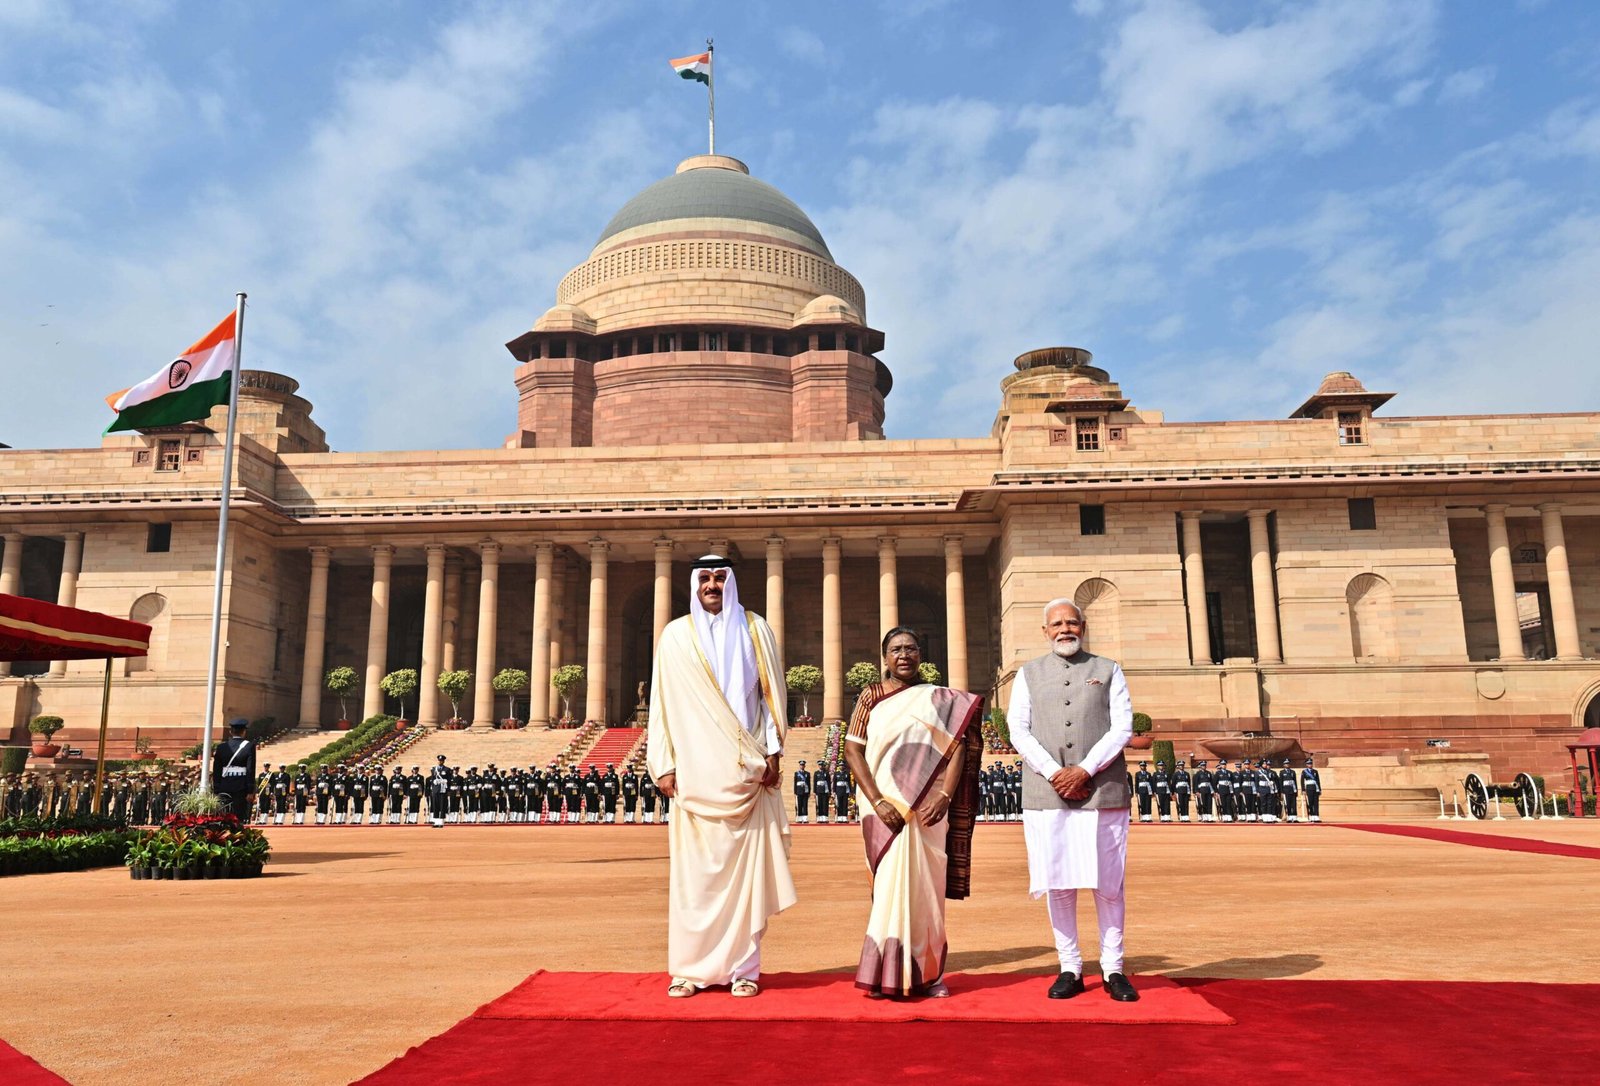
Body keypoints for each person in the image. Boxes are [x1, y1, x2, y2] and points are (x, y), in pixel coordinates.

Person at [646, 555, 795, 998]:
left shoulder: (756, 629)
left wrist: (773, 750)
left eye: (719, 578)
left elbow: (772, 695)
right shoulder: (674, 636)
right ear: (694, 585)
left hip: (745, 769)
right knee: (695, 880)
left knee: (744, 880)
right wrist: (664, 763)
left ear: (730, 582)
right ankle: (689, 970)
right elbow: (661, 705)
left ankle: (743, 969)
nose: (712, 585)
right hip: (694, 772)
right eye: (705, 578)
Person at [1009, 598, 1139, 1003]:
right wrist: (1055, 773)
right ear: (1044, 631)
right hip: (1047, 793)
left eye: (1072, 622)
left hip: (1102, 789)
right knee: (1059, 884)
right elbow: (1018, 729)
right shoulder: (1027, 674)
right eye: (1056, 624)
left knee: (1109, 883)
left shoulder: (1108, 669)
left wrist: (1084, 770)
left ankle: (1113, 968)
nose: (1065, 629)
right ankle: (1070, 967)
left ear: (1083, 627)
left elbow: (1122, 727)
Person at [844, 626, 982, 998]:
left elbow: (957, 750)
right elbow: (852, 749)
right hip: (883, 807)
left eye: (911, 648)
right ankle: (882, 974)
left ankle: (930, 974)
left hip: (930, 809)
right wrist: (878, 800)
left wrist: (947, 797)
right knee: (888, 886)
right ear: (884, 657)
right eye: (896, 649)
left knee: (927, 891)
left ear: (921, 655)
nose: (904, 655)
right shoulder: (871, 696)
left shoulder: (940, 699)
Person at [211, 719, 257, 821]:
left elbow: (216, 770)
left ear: (231, 732)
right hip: (241, 786)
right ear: (244, 732)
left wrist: (216, 788)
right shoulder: (249, 746)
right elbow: (250, 769)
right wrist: (250, 790)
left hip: (224, 785)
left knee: (224, 815)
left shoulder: (221, 747)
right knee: (238, 816)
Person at [429, 756, 451, 828]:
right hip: (436, 790)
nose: (440, 761)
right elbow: (432, 779)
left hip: (443, 790)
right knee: (435, 806)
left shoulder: (447, 769)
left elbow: (449, 780)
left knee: (442, 806)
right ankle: (436, 822)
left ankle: (441, 822)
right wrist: (434, 782)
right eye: (439, 760)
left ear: (443, 761)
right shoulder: (433, 769)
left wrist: (446, 782)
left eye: (441, 760)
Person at [1301, 755, 1322, 823]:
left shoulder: (1315, 771)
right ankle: (1311, 816)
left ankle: (1316, 816)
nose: (1310, 765)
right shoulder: (1304, 772)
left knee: (1316, 802)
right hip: (1309, 788)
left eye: (1311, 763)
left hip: (1315, 788)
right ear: (1306, 764)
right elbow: (1302, 781)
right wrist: (1303, 790)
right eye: (1308, 764)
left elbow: (1318, 781)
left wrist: (1320, 789)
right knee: (1310, 802)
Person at [792, 759, 811, 824]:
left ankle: (805, 818)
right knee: (799, 805)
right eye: (801, 765)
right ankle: (799, 818)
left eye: (803, 765)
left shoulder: (807, 774)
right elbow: (795, 783)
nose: (802, 766)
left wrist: (809, 792)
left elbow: (808, 783)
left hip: (805, 791)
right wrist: (795, 792)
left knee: (805, 804)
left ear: (804, 766)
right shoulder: (796, 773)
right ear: (799, 766)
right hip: (799, 791)